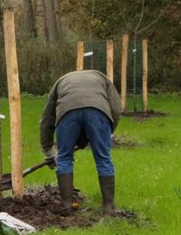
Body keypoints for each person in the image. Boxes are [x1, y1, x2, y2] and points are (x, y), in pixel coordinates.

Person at [39, 69, 122, 212]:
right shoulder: (102, 78)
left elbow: (47, 118)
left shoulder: (60, 81)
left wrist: (49, 150)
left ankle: (66, 205)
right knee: (103, 158)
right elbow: (115, 108)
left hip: (67, 112)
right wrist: (106, 131)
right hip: (98, 112)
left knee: (64, 158)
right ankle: (108, 206)